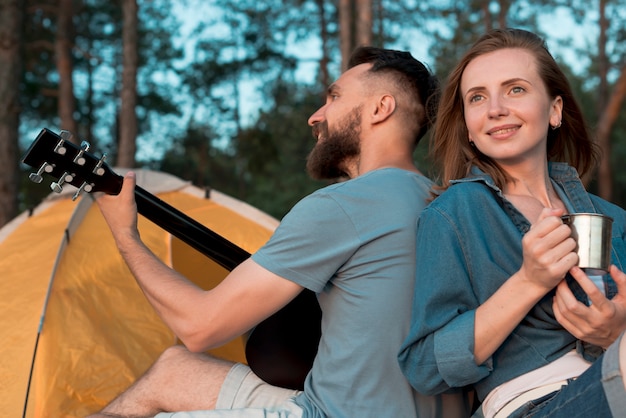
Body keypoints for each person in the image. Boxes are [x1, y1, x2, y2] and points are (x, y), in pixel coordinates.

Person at [90, 46, 472, 418]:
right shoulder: (447, 204)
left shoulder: (344, 204)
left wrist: (125, 234)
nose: (315, 116)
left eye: (334, 97)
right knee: (173, 370)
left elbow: (199, 326)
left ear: (380, 108)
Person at [397, 28, 626, 418]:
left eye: (515, 89)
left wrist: (615, 333)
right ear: (469, 126)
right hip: (535, 405)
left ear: (554, 110)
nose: (495, 109)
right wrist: (529, 281)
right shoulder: (454, 214)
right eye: (477, 97)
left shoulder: (615, 219)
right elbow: (425, 367)